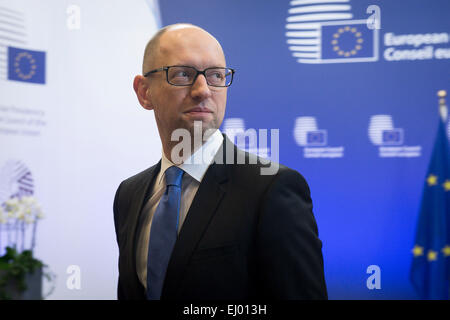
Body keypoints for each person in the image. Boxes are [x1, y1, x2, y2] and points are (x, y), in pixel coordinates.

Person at [113, 23, 327, 300]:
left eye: (215, 75)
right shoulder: (129, 194)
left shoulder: (271, 189)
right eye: (182, 74)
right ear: (144, 92)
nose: (203, 90)